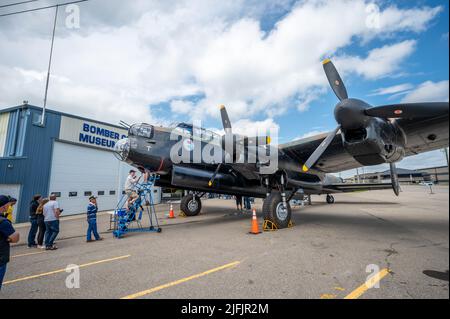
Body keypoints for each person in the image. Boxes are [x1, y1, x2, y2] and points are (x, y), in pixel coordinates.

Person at [0, 195, 20, 290]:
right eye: (8, 205)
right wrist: (7, 238)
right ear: (4, 206)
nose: (9, 206)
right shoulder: (3, 222)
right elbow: (15, 238)